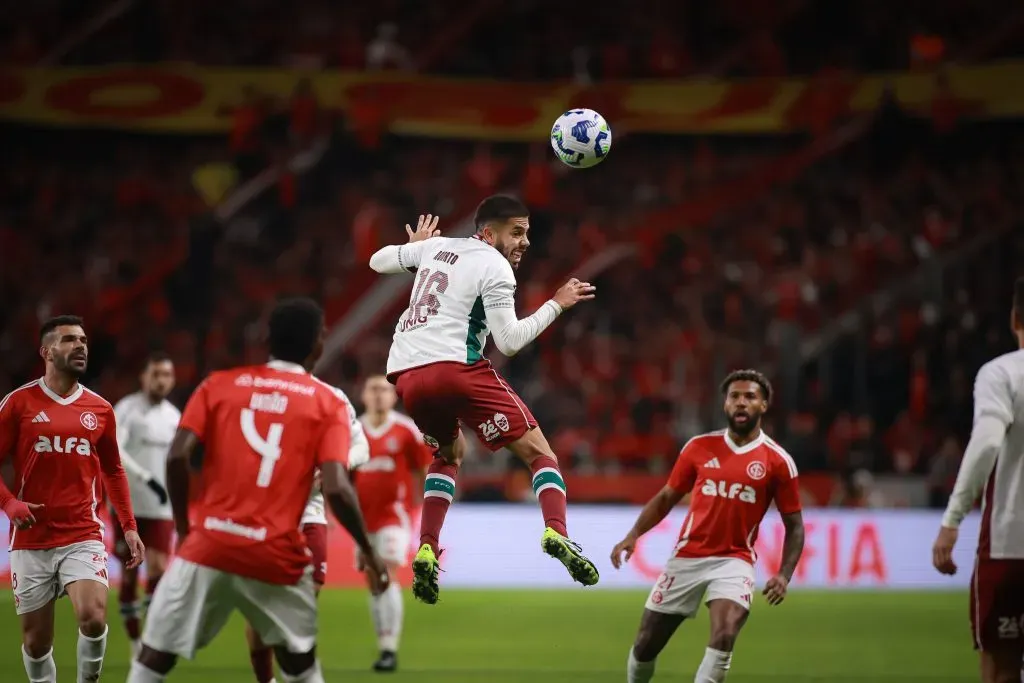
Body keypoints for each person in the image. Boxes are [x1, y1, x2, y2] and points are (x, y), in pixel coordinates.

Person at [128, 298, 388, 683]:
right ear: (318, 345)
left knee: (152, 660)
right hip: (276, 552)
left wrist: (185, 529)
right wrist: (368, 550)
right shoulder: (327, 401)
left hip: (208, 544)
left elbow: (176, 457)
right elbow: (335, 486)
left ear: (266, 339)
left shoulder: (218, 385)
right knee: (301, 666)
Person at [368, 196, 599, 604]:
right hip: (457, 369)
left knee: (449, 454)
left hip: (406, 376)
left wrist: (415, 251)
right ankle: (557, 532)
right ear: (489, 234)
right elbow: (508, 343)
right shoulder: (494, 265)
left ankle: (427, 547)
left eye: (527, 232)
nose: (525, 241)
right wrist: (556, 304)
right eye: (517, 232)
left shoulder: (437, 249)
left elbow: (377, 262)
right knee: (539, 453)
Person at [611, 369, 805, 683]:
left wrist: (784, 573)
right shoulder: (698, 448)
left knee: (725, 634)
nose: (741, 403)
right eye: (735, 396)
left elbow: (794, 525)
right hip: (687, 557)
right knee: (646, 644)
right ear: (725, 404)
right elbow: (665, 498)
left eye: (750, 397)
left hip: (734, 560)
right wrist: (633, 535)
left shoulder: (777, 461)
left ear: (764, 405)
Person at [0, 314, 144, 683]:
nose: (80, 345)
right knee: (35, 643)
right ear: (46, 351)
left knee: (94, 617)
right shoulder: (18, 404)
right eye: (69, 340)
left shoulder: (100, 409)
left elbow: (113, 471)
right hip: (31, 538)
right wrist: (9, 503)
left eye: (82, 340)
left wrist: (128, 527)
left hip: (83, 533)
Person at [246, 378, 370, 683]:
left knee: (303, 602)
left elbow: (362, 446)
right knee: (261, 609)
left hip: (311, 514)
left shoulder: (333, 395)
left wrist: (336, 465)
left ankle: (295, 670)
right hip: (264, 515)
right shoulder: (261, 391)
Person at [932, 276, 1024, 683]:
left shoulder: (1001, 373)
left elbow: (986, 445)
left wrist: (952, 520)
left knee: (1001, 669)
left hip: (1011, 545)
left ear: (1014, 318)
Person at [353, 375, 433, 672]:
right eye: (372, 389)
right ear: (363, 395)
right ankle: (384, 643)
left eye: (384, 390)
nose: (378, 395)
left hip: (394, 516)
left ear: (394, 397)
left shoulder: (405, 430)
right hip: (359, 520)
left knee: (385, 572)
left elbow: (425, 468)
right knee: (374, 581)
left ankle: (389, 648)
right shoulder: (353, 431)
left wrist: (427, 508)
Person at [111, 351, 179, 658]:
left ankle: (149, 639)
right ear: (144, 377)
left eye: (166, 375)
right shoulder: (127, 410)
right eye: (156, 374)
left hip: (162, 507)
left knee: (159, 569)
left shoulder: (174, 416)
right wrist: (146, 479)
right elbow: (115, 452)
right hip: (130, 507)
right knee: (129, 574)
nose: (161, 381)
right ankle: (134, 639)